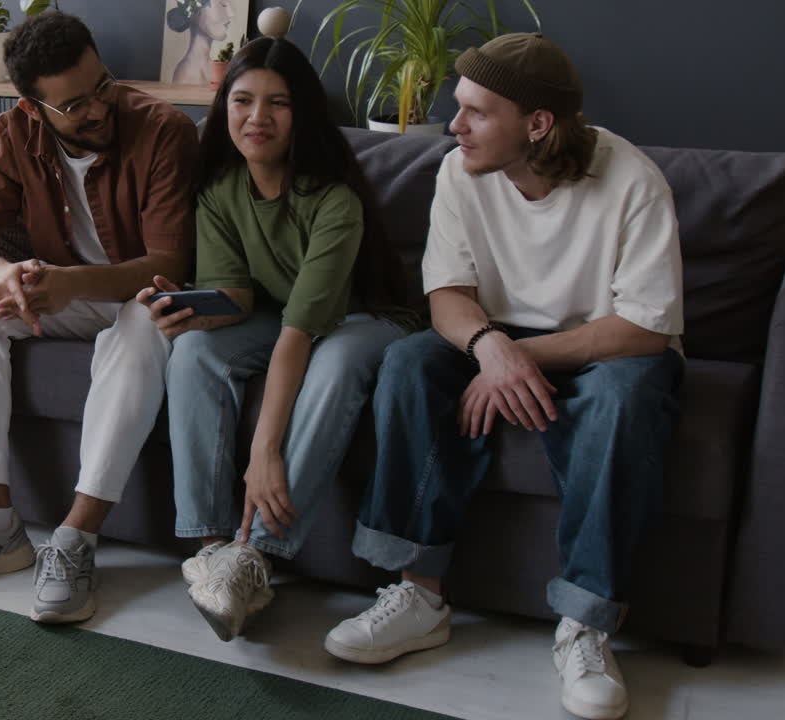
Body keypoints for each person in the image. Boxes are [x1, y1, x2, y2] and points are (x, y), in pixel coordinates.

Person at [323, 33, 685, 720]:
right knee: (408, 361)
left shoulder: (633, 181)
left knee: (624, 397)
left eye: (476, 112)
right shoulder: (460, 171)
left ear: (538, 124)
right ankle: (420, 596)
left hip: (605, 347)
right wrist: (492, 347)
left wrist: (522, 358)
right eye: (457, 107)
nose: (454, 125)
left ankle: (585, 625)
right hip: (491, 336)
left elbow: (647, 328)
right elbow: (447, 296)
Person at [0, 12, 198, 625]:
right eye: (74, 105)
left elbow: (168, 261)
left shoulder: (164, 129)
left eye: (102, 87)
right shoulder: (13, 135)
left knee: (148, 318)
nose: (97, 109)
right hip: (65, 294)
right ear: (35, 109)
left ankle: (76, 537)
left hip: (139, 295)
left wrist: (68, 285)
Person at [137, 36, 414, 642]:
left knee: (335, 361)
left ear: (303, 113)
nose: (257, 118)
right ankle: (214, 549)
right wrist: (189, 312)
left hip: (365, 318)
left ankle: (257, 555)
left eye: (277, 103)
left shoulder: (334, 199)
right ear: (223, 108)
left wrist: (264, 453)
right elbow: (235, 297)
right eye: (242, 100)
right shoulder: (220, 190)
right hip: (281, 313)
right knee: (195, 351)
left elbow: (300, 334)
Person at [167, 0, 234, 85]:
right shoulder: (187, 75)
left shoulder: (212, 68)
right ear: (196, 13)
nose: (231, 13)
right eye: (222, 5)